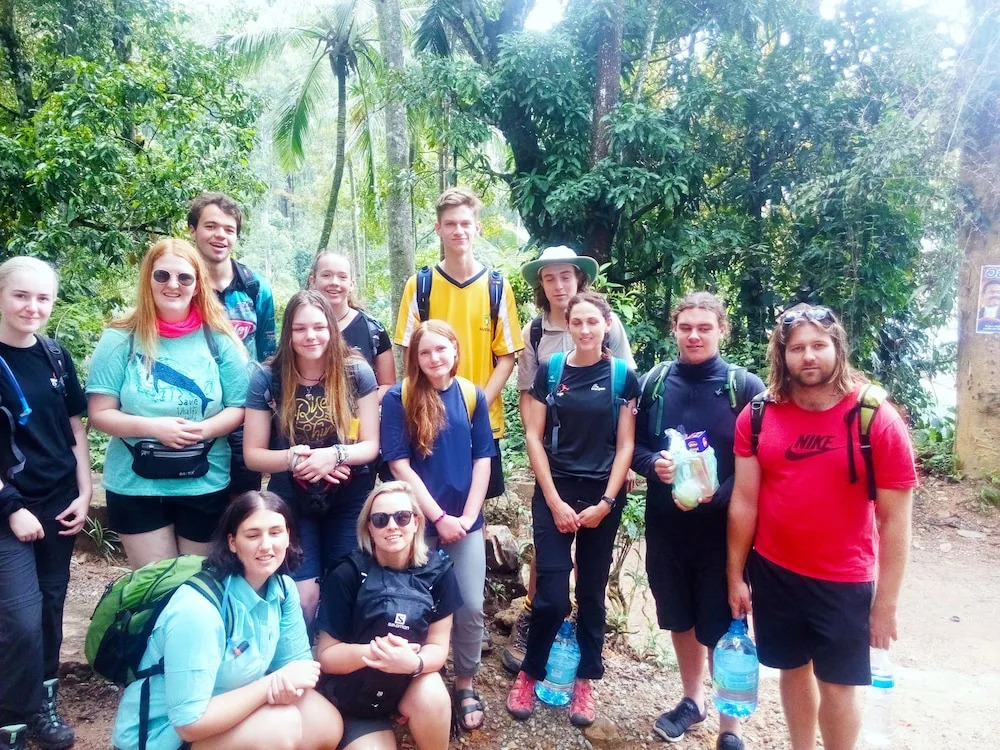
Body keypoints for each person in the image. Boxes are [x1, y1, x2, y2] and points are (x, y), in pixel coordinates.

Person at [728, 306, 917, 750]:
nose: (808, 356)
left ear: (837, 348)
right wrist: (735, 574)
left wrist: (886, 603)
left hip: (844, 578)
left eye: (818, 345)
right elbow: (744, 501)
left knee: (838, 685)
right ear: (782, 355)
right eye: (797, 348)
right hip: (774, 569)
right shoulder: (758, 415)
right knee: (792, 669)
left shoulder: (875, 417)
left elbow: (895, 519)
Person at [631, 292, 764, 750]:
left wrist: (718, 495)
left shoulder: (744, 388)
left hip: (724, 533)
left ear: (722, 330)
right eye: (685, 327)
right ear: (674, 329)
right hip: (667, 528)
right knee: (680, 616)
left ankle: (731, 726)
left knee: (723, 622)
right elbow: (633, 447)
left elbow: (762, 462)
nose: (694, 335)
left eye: (704, 327)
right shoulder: (655, 383)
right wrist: (655, 466)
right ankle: (692, 700)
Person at [110, 490, 344, 750]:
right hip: (165, 736)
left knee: (324, 722)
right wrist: (271, 685)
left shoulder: (282, 589)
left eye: (276, 532)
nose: (266, 545)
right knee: (280, 726)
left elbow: (297, 666)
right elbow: (188, 723)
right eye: (253, 535)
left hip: (230, 711)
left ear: (288, 536)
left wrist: (288, 686)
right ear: (232, 542)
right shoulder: (198, 609)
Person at [506, 291, 639, 727]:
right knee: (551, 596)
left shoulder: (622, 376)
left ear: (606, 326)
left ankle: (585, 680)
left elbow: (626, 445)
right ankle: (530, 673)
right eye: (577, 322)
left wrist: (606, 502)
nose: (584, 329)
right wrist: (553, 500)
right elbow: (534, 436)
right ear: (568, 325)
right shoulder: (552, 370)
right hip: (555, 492)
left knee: (592, 593)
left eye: (592, 322)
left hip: (603, 495)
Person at [88, 239, 249, 570]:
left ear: (198, 285)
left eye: (184, 277)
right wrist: (154, 428)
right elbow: (100, 413)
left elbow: (240, 407)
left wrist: (202, 430)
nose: (173, 285)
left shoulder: (220, 338)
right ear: (148, 279)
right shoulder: (120, 338)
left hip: (203, 480)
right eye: (162, 275)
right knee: (155, 587)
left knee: (196, 586)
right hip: (136, 483)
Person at [380, 320, 495, 731]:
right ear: (414, 357)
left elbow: (483, 458)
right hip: (414, 522)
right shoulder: (399, 397)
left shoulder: (471, 395)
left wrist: (467, 516)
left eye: (441, 349)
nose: (434, 358)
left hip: (465, 522)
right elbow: (399, 464)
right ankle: (412, 681)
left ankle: (464, 682)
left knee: (470, 606)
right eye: (425, 352)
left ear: (455, 351)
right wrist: (438, 518)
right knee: (408, 604)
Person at [243, 290, 379, 623]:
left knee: (347, 585)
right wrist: (295, 460)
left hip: (349, 495)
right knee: (304, 598)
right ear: (288, 333)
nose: (310, 336)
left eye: (319, 327)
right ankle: (302, 652)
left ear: (331, 328)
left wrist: (334, 455)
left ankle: (338, 652)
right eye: (300, 328)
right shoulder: (268, 378)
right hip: (291, 496)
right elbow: (253, 455)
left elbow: (370, 446)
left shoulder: (356, 373)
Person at [0, 257, 91, 750]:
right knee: (18, 616)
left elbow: (74, 426)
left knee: (51, 607)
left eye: (42, 298)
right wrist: (11, 506)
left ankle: (43, 703)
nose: (32, 307)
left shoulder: (55, 356)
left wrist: (85, 491)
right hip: (8, 506)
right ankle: (12, 718)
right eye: (21, 295)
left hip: (57, 500)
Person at [393, 187, 523, 502]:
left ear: (477, 227)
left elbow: (506, 357)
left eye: (465, 223)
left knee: (476, 504)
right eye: (450, 224)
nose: (458, 231)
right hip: (428, 416)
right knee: (426, 502)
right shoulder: (420, 285)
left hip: (481, 419)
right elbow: (409, 352)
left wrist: (473, 407)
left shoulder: (496, 286)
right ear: (438, 228)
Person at [316, 481, 461, 750]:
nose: (392, 526)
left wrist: (414, 663)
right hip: (353, 693)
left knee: (434, 694)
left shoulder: (439, 572)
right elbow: (326, 656)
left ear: (416, 522)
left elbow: (438, 646)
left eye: (402, 517)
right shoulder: (347, 574)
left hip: (408, 682)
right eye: (380, 520)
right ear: (369, 528)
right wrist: (379, 654)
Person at [188, 193, 277, 497]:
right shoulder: (180, 286)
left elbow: (268, 352)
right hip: (194, 410)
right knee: (199, 503)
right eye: (211, 226)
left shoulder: (255, 287)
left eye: (229, 229)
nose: (220, 235)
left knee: (244, 501)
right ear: (192, 230)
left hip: (244, 412)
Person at [308, 251, 396, 402]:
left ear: (351, 284)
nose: (334, 282)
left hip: (359, 414)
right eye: (326, 275)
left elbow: (388, 385)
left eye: (342, 277)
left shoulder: (373, 329)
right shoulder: (299, 327)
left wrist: (357, 407)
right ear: (313, 281)